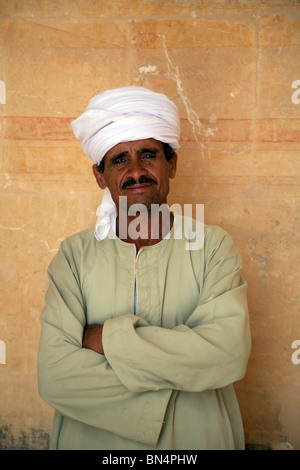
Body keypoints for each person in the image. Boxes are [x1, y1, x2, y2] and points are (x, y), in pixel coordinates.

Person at [37, 86, 251, 450]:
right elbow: (56, 376)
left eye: (148, 155)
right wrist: (180, 377)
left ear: (172, 164)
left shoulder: (212, 246)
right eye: (119, 159)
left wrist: (107, 339)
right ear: (100, 176)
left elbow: (227, 355)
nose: (136, 171)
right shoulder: (74, 256)